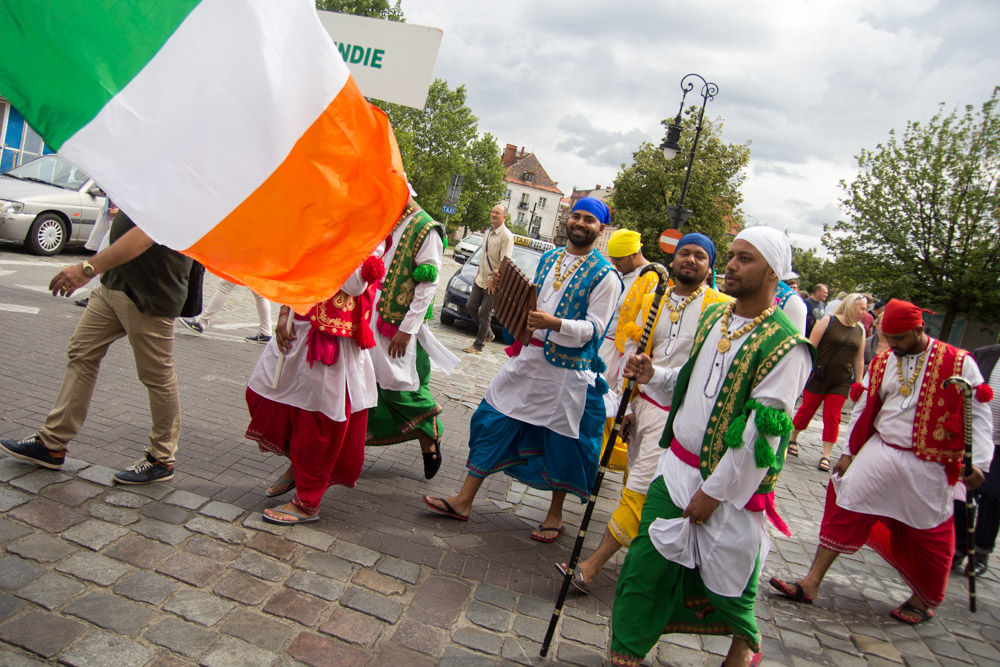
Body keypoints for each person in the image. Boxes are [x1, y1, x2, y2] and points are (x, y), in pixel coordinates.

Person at [609, 226, 813, 667]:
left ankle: (743, 648)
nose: (733, 266)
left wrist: (714, 492)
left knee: (729, 583)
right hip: (676, 468)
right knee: (643, 567)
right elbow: (688, 384)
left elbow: (763, 434)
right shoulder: (713, 318)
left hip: (731, 490)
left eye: (746, 259)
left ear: (773, 273)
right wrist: (653, 377)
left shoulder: (787, 347)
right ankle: (626, 648)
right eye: (734, 255)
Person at [770, 299, 993, 626]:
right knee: (844, 505)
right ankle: (810, 582)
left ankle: (923, 599)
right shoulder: (887, 359)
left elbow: (980, 412)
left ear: (919, 330)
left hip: (930, 462)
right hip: (882, 449)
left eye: (900, 339)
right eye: (888, 338)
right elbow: (863, 407)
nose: (893, 345)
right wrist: (847, 453)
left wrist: (980, 465)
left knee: (930, 531)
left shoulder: (960, 363)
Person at [421, 197, 622, 543]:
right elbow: (528, 308)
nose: (579, 222)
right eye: (576, 215)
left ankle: (554, 517)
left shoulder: (606, 276)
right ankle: (464, 500)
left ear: (600, 228)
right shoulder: (548, 259)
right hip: (529, 360)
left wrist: (555, 323)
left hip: (566, 375)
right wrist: (501, 293)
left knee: (562, 441)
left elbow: (595, 329)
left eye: (589, 219)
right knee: (491, 417)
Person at [559, 233, 731, 591]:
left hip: (681, 417)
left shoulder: (719, 310)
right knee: (638, 485)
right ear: (673, 259)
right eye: (685, 253)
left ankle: (590, 567)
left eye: (700, 256)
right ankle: (648, 563)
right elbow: (635, 350)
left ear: (709, 265)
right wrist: (630, 400)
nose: (691, 260)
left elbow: (707, 373)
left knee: (638, 490)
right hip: (644, 407)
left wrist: (660, 375)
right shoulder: (653, 297)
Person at [0, 210, 192, 484]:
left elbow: (144, 236)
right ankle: (51, 444)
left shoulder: (176, 182)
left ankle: (161, 458)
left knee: (156, 376)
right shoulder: (145, 174)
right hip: (113, 285)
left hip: (150, 294)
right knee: (82, 353)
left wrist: (87, 268)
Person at [245, 245, 385, 524]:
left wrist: (328, 247)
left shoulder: (370, 229)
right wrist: (285, 312)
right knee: (261, 392)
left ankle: (308, 500)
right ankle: (300, 468)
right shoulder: (327, 218)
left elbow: (355, 284)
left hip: (331, 338)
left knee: (319, 418)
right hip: (301, 320)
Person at [366, 196, 459, 479]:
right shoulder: (389, 220)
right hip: (373, 312)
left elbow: (428, 283)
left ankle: (429, 435)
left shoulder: (426, 228)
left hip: (397, 323)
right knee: (368, 379)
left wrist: (407, 329)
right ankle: (352, 442)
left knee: (398, 385)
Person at [788, 293, 867, 471]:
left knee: (833, 416)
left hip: (841, 381)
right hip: (819, 375)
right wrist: (803, 370)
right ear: (851, 306)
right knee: (806, 410)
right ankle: (792, 438)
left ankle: (826, 454)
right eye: (862, 308)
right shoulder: (828, 321)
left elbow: (859, 359)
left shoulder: (860, 330)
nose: (864, 312)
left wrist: (859, 382)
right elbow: (811, 346)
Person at [953, 344, 1000, 576]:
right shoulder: (984, 355)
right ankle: (959, 546)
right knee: (963, 491)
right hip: (976, 438)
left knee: (993, 495)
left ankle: (981, 549)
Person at [462, 204, 513, 354]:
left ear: (504, 217)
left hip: (493, 281)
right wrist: (478, 273)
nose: (494, 215)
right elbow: (484, 255)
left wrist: (494, 280)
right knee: (471, 306)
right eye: (493, 212)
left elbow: (505, 262)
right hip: (481, 278)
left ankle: (478, 346)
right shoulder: (488, 232)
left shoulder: (506, 236)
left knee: (484, 312)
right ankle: (489, 334)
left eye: (498, 213)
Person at [180, 278, 273, 343]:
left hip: (249, 258)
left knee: (225, 285)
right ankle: (266, 331)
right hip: (256, 258)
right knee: (258, 291)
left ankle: (202, 322)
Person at [74, 198, 119, 307]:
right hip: (111, 218)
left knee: (103, 255)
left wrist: (82, 272)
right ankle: (99, 296)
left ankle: (96, 297)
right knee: (105, 256)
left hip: (120, 222)